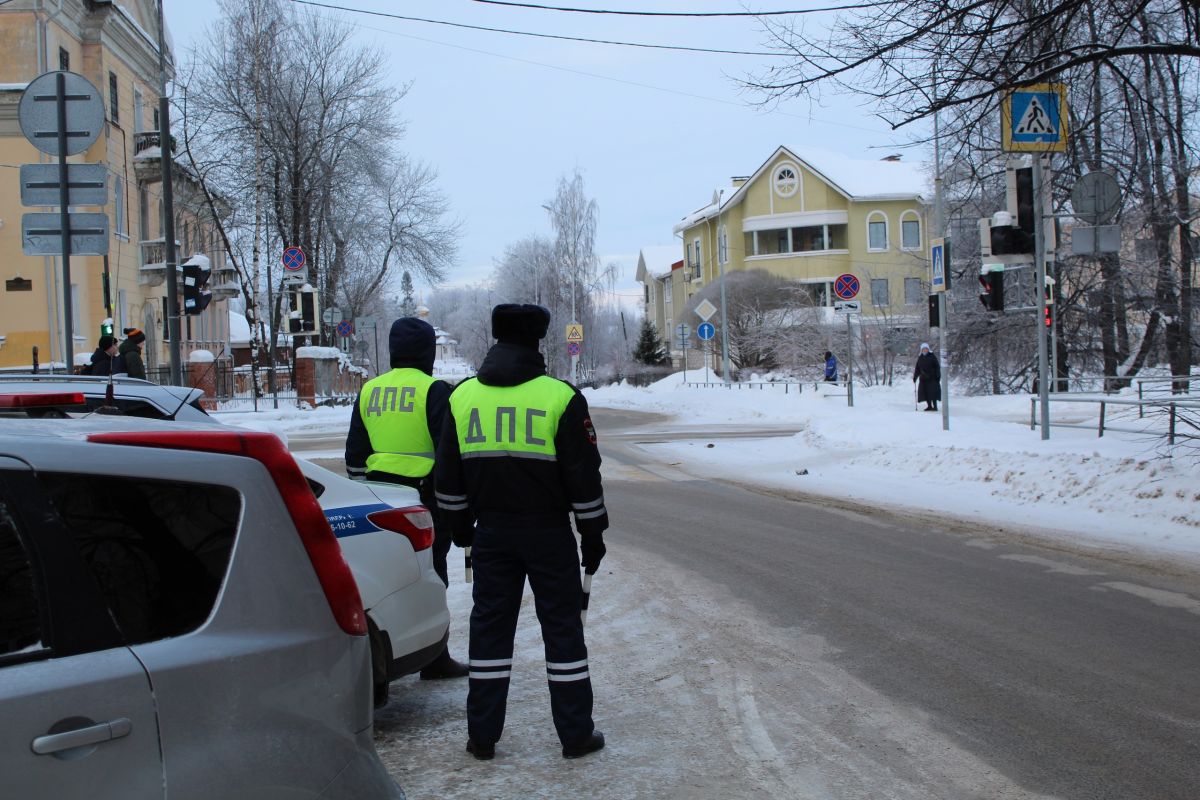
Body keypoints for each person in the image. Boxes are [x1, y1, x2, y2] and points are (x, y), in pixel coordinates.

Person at [435, 304, 608, 762]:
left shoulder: (462, 397)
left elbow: (447, 478)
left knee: (489, 632)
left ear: (495, 336)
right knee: (563, 632)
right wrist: (592, 535)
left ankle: (482, 738)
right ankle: (575, 736)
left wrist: (460, 529)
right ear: (539, 340)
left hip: (490, 532)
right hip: (548, 534)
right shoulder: (561, 397)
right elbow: (583, 477)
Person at [345, 317, 468, 684]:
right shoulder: (435, 391)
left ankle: (395, 648)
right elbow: (449, 454)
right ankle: (434, 656)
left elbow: (355, 456)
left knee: (388, 578)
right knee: (432, 575)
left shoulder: (369, 391)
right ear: (428, 352)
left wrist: (367, 490)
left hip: (380, 500)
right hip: (423, 501)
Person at [913, 342, 941, 411]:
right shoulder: (920, 358)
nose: (925, 350)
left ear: (928, 349)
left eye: (926, 349)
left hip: (932, 378)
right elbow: (917, 368)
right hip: (923, 378)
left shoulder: (932, 356)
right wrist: (915, 377)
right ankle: (929, 406)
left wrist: (938, 375)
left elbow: (937, 366)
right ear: (921, 350)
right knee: (925, 392)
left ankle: (935, 406)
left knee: (932, 392)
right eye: (923, 349)